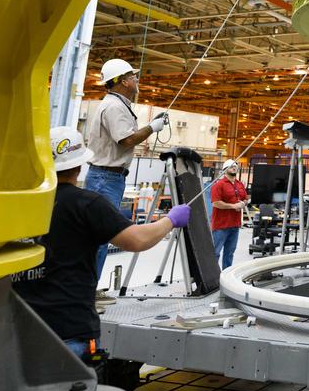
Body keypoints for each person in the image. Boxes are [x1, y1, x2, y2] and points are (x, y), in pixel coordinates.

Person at [13, 127, 189, 359]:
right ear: (79, 166)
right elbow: (136, 240)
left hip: (18, 330)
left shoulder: (18, 204)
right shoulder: (86, 204)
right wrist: (171, 220)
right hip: (68, 331)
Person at [83, 58, 170, 283]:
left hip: (108, 178)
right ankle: (88, 292)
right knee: (100, 237)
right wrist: (152, 128)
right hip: (106, 178)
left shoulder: (117, 104)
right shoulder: (114, 106)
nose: (136, 80)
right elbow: (126, 140)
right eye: (133, 77)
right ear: (122, 82)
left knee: (101, 236)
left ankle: (90, 291)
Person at [210, 159, 248, 269]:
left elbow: (245, 199)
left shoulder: (240, 184)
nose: (234, 167)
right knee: (215, 253)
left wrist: (242, 204)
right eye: (231, 166)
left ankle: (225, 277)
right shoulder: (218, 185)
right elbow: (216, 203)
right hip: (221, 226)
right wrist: (233, 206)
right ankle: (212, 278)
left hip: (235, 225)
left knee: (229, 253)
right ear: (225, 170)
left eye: (235, 166)